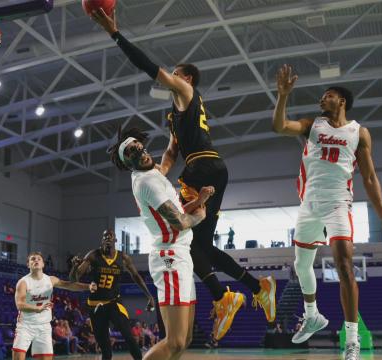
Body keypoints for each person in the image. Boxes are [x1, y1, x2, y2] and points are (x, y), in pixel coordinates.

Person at [90, 9, 277, 341]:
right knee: (200, 243)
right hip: (211, 169)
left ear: (186, 79)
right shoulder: (174, 116)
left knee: (188, 241)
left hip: (202, 166)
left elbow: (148, 67)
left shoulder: (186, 92)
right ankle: (257, 287)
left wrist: (115, 34)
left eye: (177, 74)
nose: (172, 77)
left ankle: (225, 297)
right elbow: (172, 152)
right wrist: (157, 174)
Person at [272, 65, 382, 360]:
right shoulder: (312, 124)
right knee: (301, 265)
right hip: (309, 204)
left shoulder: (359, 133)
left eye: (328, 95)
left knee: (344, 265)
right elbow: (280, 126)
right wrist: (282, 96)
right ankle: (313, 315)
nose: (322, 99)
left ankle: (352, 341)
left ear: (341, 101)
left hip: (338, 203)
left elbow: (370, 178)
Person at [107, 127, 218, 359]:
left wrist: (175, 130)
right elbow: (178, 222)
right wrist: (199, 215)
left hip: (181, 254)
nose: (138, 151)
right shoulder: (147, 182)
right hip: (169, 257)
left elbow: (168, 157)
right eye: (130, 152)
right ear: (127, 163)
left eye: (137, 145)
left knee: (185, 339)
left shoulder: (153, 172)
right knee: (175, 340)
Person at [69, 229, 155, 360]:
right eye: (105, 236)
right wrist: (74, 267)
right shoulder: (93, 255)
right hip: (96, 305)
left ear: (115, 240)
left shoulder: (123, 257)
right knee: (106, 350)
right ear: (102, 240)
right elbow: (74, 279)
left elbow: (136, 276)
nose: (108, 238)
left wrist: (149, 296)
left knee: (129, 337)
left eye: (110, 236)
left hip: (114, 302)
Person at [12, 252, 96, 360]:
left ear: (43, 264)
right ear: (28, 264)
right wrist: (37, 309)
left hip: (44, 327)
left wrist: (88, 286)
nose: (36, 260)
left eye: (39, 259)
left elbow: (69, 285)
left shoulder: (50, 279)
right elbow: (20, 304)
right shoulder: (23, 282)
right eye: (33, 259)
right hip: (26, 326)